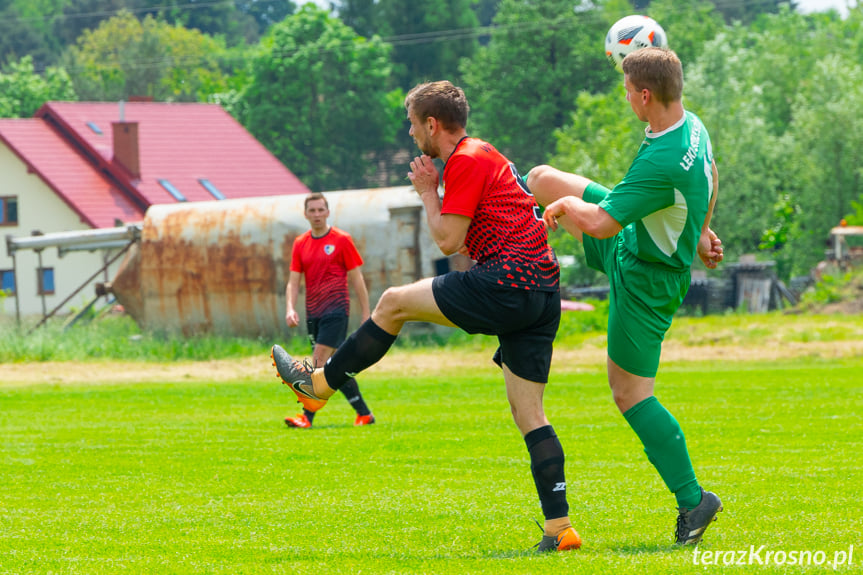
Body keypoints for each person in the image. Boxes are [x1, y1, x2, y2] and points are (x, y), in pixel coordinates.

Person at [271, 81, 581, 552]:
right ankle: (560, 529)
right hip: (542, 289)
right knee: (529, 412)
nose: (410, 131)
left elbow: (448, 241)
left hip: (508, 280)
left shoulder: (464, 160)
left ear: (431, 124)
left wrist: (426, 191)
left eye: (413, 123)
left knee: (393, 302)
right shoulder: (487, 153)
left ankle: (319, 385)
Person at [526, 47, 725, 546]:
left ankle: (694, 500)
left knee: (630, 393)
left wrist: (568, 206)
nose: (625, 100)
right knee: (540, 178)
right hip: (633, 239)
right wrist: (700, 230)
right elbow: (711, 173)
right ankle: (503, 244)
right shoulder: (690, 124)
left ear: (644, 95)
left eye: (626, 93)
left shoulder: (660, 161)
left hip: (647, 279)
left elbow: (597, 222)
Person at [277, 192, 375, 428]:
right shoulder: (300, 243)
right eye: (313, 210)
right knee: (337, 367)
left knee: (318, 361)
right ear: (306, 214)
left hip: (336, 311)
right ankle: (364, 414)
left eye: (321, 210)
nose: (317, 214)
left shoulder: (341, 239)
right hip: (314, 314)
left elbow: (357, 279)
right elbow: (294, 280)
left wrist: (366, 314)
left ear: (328, 212)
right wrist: (290, 308)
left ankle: (306, 417)